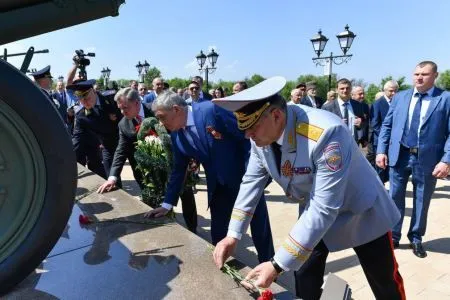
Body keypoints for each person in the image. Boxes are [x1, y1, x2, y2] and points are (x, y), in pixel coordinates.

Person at [212, 77, 404, 300]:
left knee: (384, 282)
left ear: (276, 115)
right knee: (304, 274)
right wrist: (233, 235)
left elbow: (325, 208)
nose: (247, 135)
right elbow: (250, 184)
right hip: (317, 210)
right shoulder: (260, 138)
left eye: (252, 127)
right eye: (243, 128)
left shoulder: (325, 132)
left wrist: (276, 264)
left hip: (361, 210)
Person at [145, 91, 274, 263]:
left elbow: (247, 138)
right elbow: (178, 169)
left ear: (176, 109)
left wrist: (255, 178)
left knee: (260, 230)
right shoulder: (176, 135)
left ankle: (270, 268)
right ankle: (222, 269)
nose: (161, 123)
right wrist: (167, 204)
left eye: (162, 117)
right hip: (218, 189)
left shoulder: (213, 110)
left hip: (245, 183)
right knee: (218, 233)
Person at [376, 61, 450, 258]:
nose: (419, 77)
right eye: (416, 73)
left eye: (424, 74)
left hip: (428, 159)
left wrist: (446, 160)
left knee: (422, 199)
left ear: (435, 76)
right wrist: (381, 151)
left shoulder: (445, 99)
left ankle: (416, 238)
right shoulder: (400, 97)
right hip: (399, 155)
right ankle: (393, 236)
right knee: (394, 197)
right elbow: (387, 126)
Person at [97, 87, 153, 192]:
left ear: (137, 103)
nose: (122, 112)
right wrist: (112, 178)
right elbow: (121, 150)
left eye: (125, 108)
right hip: (143, 173)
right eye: (120, 108)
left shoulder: (156, 111)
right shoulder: (123, 124)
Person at [67, 79, 122, 179]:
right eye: (81, 100)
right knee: (111, 177)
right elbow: (77, 140)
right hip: (108, 145)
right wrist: (68, 164)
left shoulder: (112, 98)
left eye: (87, 98)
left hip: (126, 139)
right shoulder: (81, 115)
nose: (85, 102)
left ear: (93, 91)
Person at [322, 78, 368, 145]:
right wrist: (337, 125)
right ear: (336, 90)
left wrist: (360, 124)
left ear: (351, 89)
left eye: (347, 88)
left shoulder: (358, 105)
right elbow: (323, 127)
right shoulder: (327, 107)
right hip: (334, 144)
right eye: (342, 88)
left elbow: (364, 122)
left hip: (353, 144)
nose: (345, 90)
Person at [370, 80, 399, 183]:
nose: (394, 93)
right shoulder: (377, 104)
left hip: (395, 142)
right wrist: (387, 136)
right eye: (391, 91)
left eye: (396, 91)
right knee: (380, 169)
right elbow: (375, 124)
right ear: (385, 90)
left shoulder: (398, 102)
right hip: (381, 142)